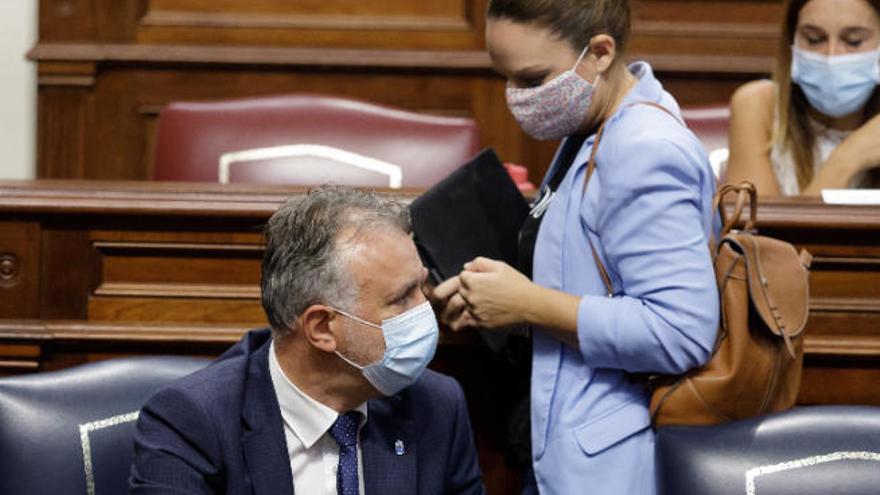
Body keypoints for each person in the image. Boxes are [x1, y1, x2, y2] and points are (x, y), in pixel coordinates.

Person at [431, 1, 720, 494]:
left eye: (532, 78)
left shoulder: (642, 148)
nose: (515, 98)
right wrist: (504, 305)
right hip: (566, 444)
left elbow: (681, 330)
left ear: (600, 52)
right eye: (506, 78)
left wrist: (530, 304)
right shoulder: (596, 127)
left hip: (610, 466)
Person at [130, 187, 485, 495]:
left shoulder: (437, 406)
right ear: (321, 328)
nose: (426, 310)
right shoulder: (194, 421)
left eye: (421, 286)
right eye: (402, 298)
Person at [727, 0, 880, 196]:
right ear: (792, 41)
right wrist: (846, 159)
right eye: (814, 39)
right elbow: (754, 224)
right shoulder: (757, 105)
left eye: (853, 41)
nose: (831, 56)